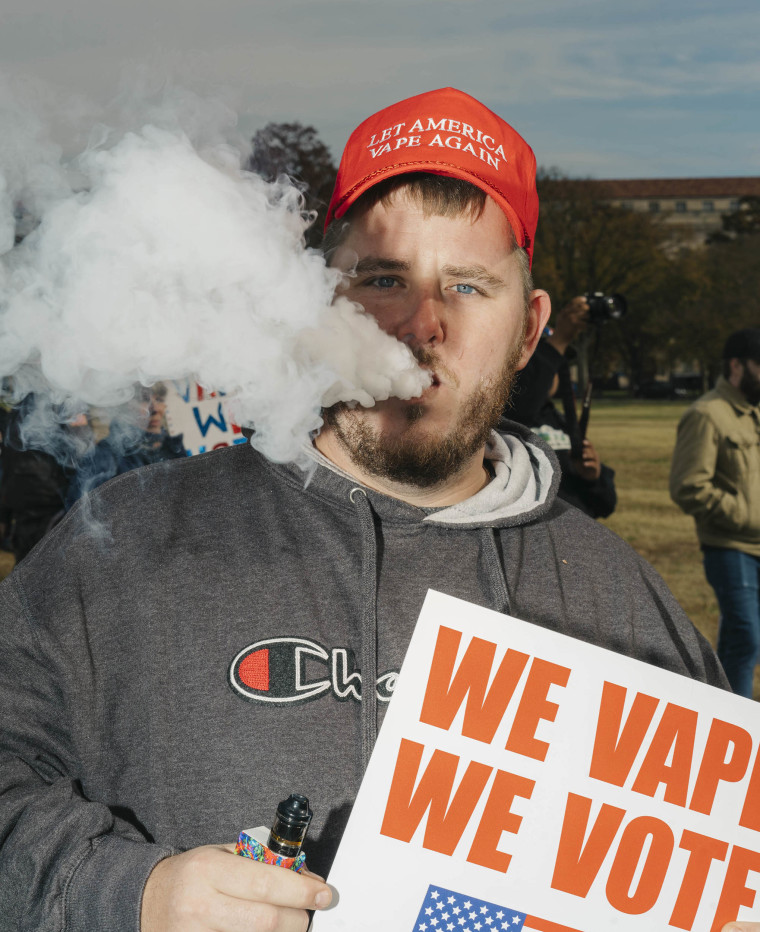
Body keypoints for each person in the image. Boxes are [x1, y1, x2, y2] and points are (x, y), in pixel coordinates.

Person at [0, 88, 748, 932]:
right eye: (383, 279)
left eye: (468, 287)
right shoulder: (128, 544)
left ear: (530, 330)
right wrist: (128, 895)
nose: (422, 326)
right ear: (317, 297)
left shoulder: (624, 606)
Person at [670, 328, 760, 699]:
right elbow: (688, 486)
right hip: (730, 547)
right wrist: (744, 515)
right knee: (746, 638)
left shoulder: (754, 413)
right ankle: (732, 722)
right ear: (737, 365)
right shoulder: (707, 415)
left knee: (742, 641)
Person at [508, 296, 617, 518]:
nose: (555, 369)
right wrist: (558, 341)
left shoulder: (563, 422)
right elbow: (524, 408)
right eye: (547, 360)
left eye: (560, 363)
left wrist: (593, 479)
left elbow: (606, 505)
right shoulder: (505, 418)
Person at [65, 383, 186, 508]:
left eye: (159, 400)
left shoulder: (173, 449)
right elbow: (82, 514)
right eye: (144, 400)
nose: (155, 408)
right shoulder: (105, 456)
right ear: (126, 408)